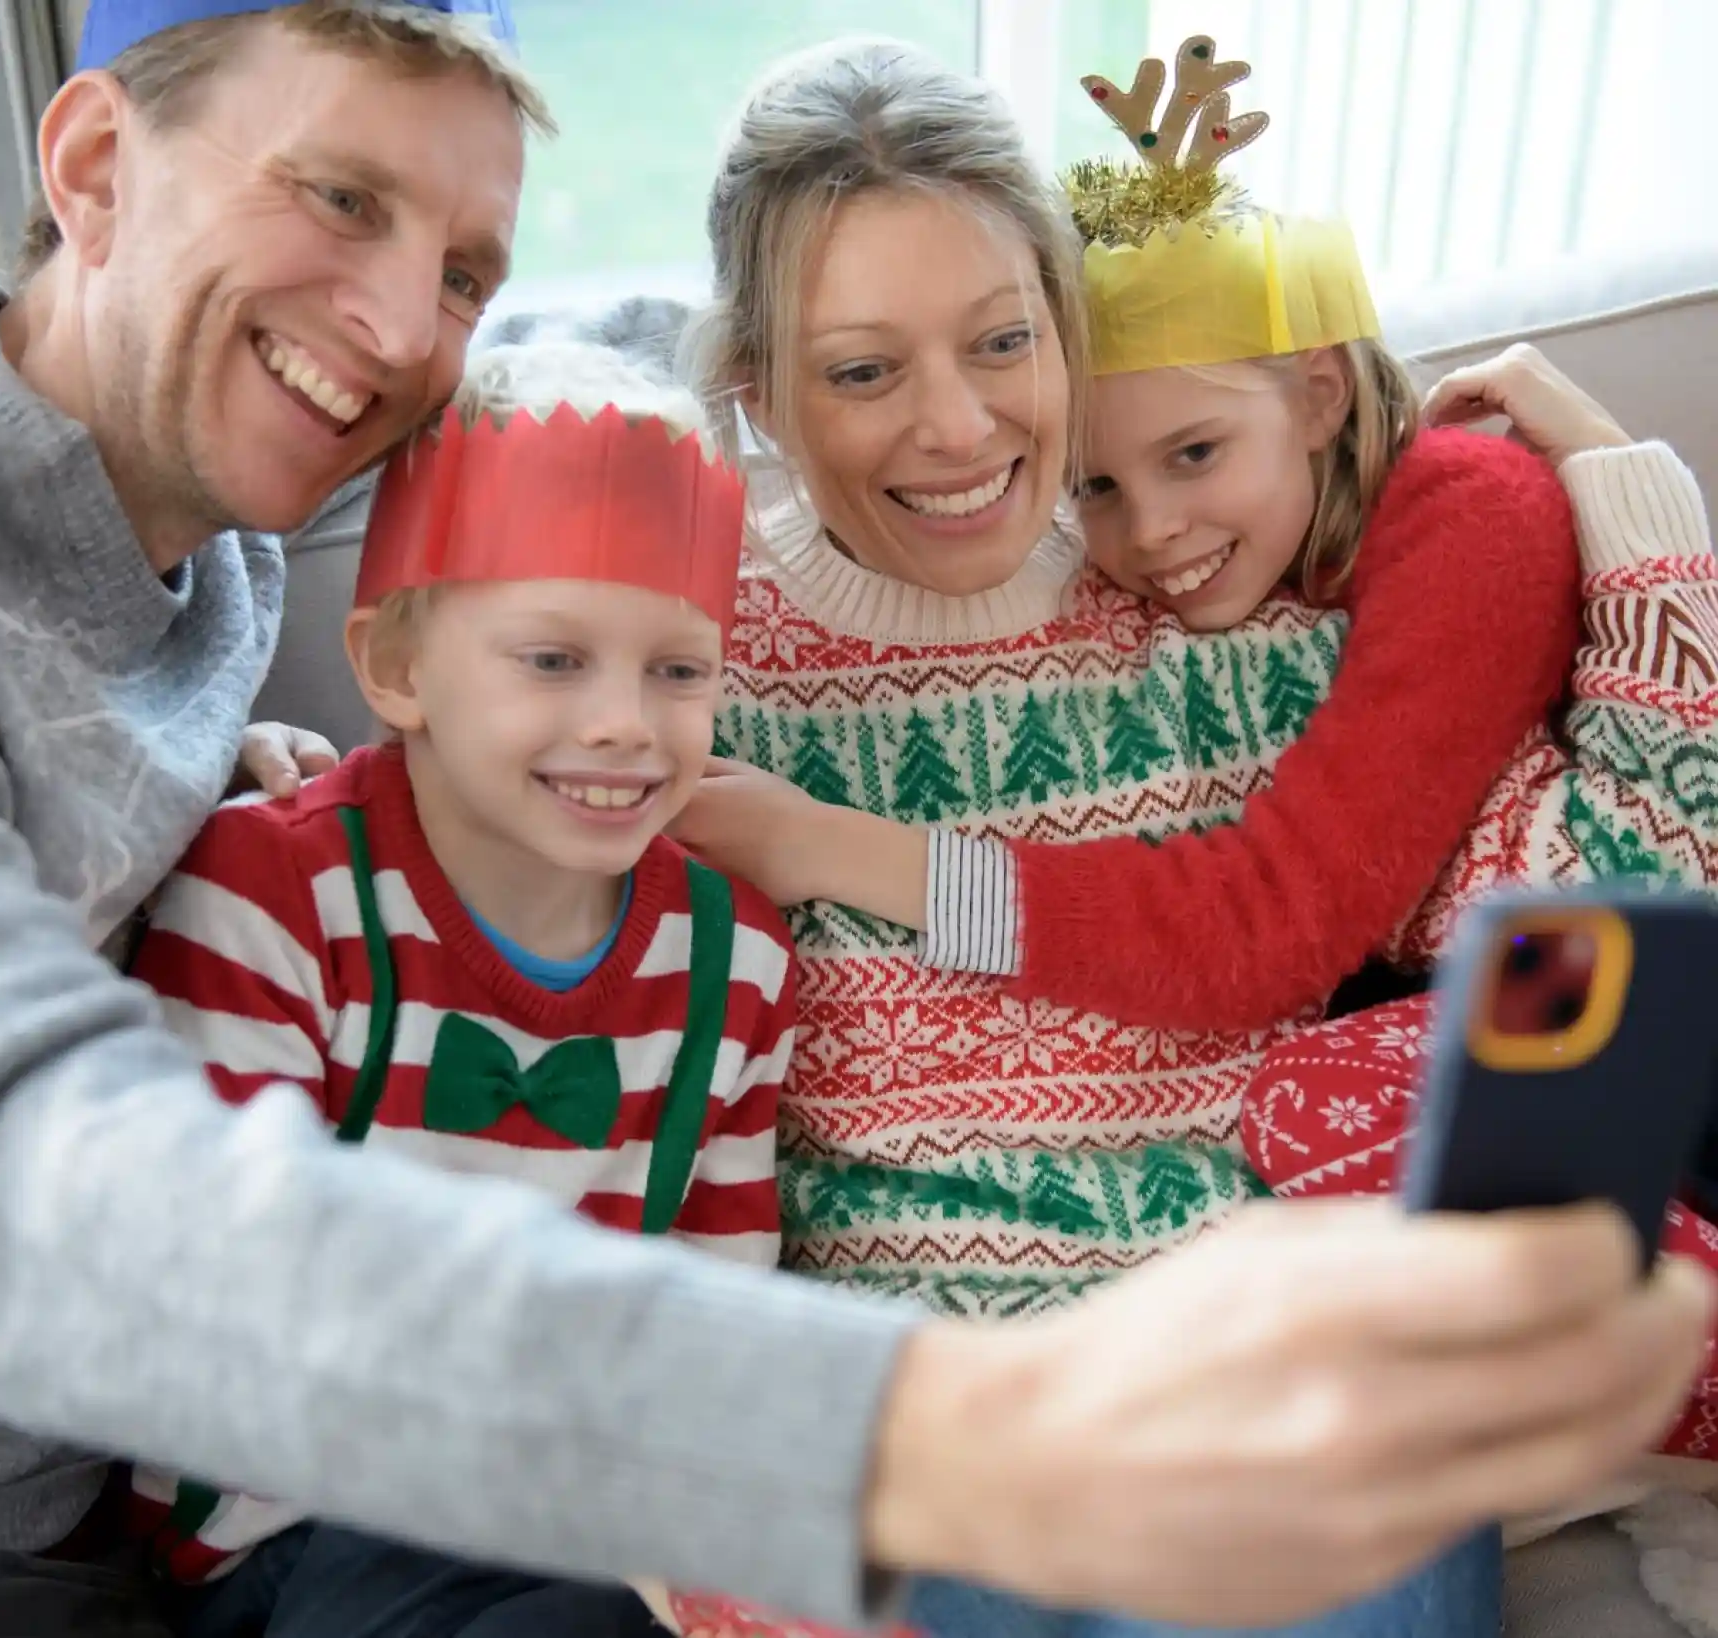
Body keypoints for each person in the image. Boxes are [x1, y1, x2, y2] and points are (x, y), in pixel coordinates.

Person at [0, 3, 1710, 1634]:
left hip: (67, 1526)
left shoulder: (206, 548)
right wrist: (910, 1439)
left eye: (463, 267)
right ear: (95, 168)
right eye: (334, 199)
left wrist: (1551, 474)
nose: (398, 330)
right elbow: (17, 1183)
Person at [658, 34, 1715, 1638]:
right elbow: (558, 1060)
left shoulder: (1246, 602)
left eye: (1004, 342)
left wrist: (1627, 499)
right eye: (865, 370)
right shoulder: (679, 658)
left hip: (1278, 1393)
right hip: (931, 1419)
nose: (955, 430)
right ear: (757, 390)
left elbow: (1608, 909)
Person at [128, 341, 793, 1637]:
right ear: (397, 668)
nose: (624, 724)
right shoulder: (272, 896)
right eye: (553, 660)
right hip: (304, 1523)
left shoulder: (734, 960)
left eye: (678, 669)